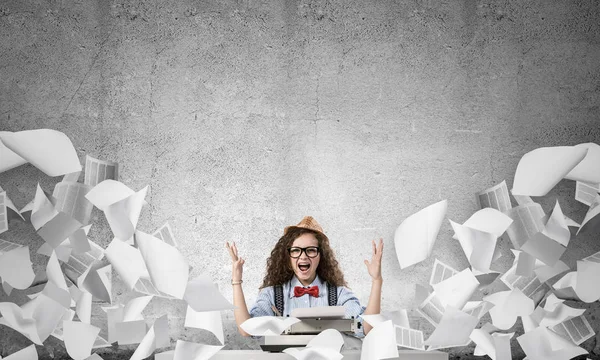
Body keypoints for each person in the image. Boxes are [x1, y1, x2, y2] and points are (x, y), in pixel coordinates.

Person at [226, 216, 383, 337]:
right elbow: (247, 330)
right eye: (296, 250)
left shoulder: (339, 295)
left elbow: (367, 327)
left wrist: (377, 281)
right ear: (287, 256)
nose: (303, 256)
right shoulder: (272, 295)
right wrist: (236, 281)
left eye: (311, 250)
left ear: (321, 256)